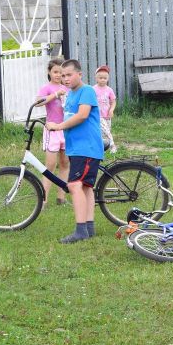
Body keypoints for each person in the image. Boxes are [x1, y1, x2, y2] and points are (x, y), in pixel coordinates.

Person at [45, 59, 104, 244]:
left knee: (74, 185)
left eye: (69, 75)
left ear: (79, 74)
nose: (65, 79)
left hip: (86, 147)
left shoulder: (87, 91)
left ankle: (80, 231)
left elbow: (82, 115)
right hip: (76, 147)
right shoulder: (70, 94)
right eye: (62, 76)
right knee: (86, 186)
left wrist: (59, 126)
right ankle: (89, 227)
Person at [37, 59, 69, 206]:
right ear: (49, 72)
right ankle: (43, 200)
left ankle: (61, 197)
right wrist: (55, 95)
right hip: (52, 130)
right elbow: (39, 101)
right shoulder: (47, 88)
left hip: (66, 129)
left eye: (61, 73)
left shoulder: (67, 88)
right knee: (50, 165)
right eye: (55, 72)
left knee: (65, 163)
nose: (58, 75)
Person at [93, 65, 117, 153]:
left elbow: (113, 101)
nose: (103, 79)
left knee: (105, 132)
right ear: (96, 78)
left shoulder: (109, 90)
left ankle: (101, 147)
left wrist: (111, 110)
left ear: (108, 78)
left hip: (107, 115)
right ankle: (112, 145)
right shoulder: (93, 89)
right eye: (100, 78)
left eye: (105, 78)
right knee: (106, 131)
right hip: (97, 115)